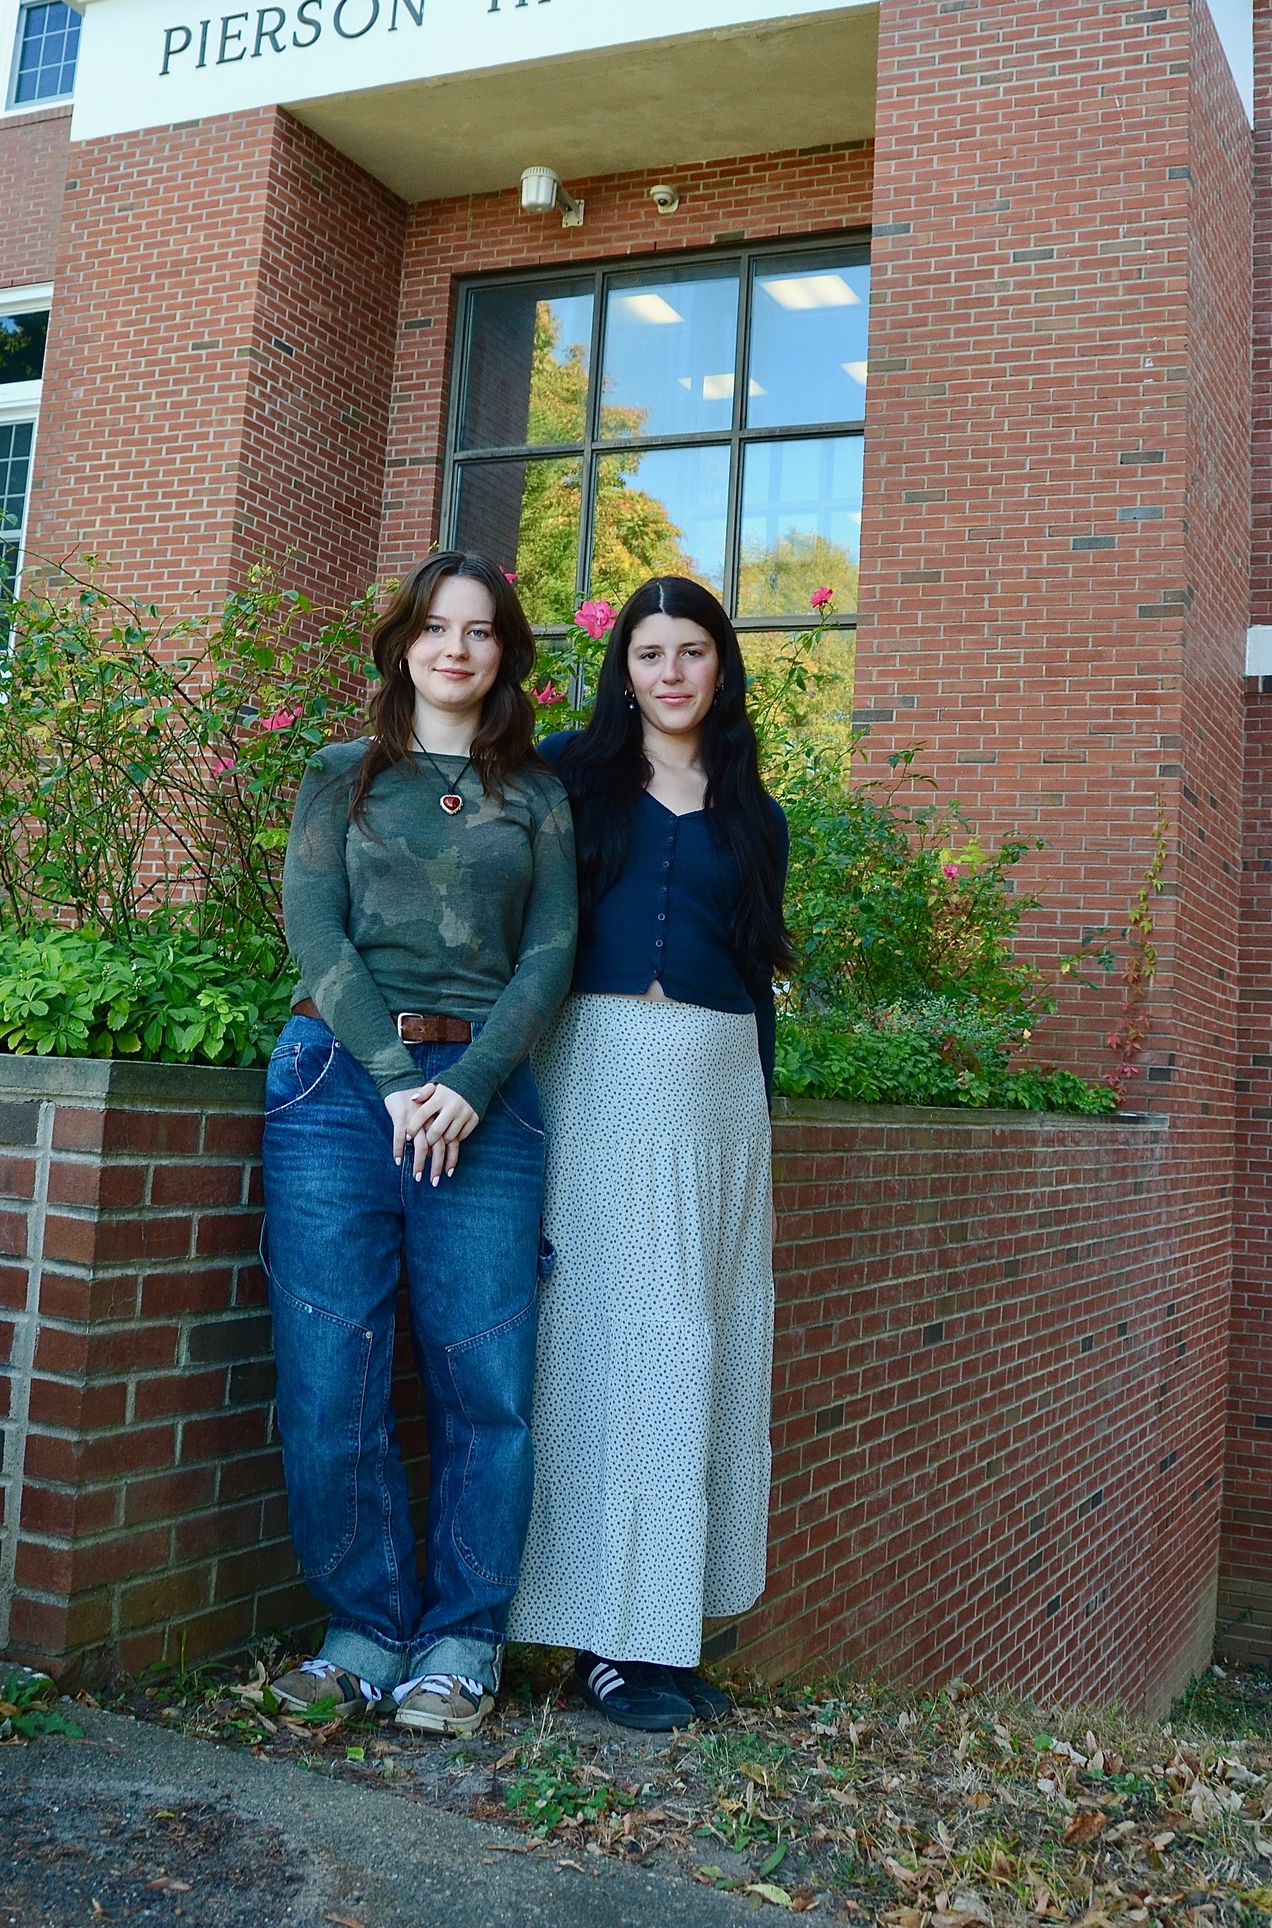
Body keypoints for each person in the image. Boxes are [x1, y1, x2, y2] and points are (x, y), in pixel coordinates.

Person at [262, 551, 577, 1738]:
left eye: (481, 630)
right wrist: (396, 1081)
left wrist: (473, 1085)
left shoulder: (537, 794)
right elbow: (312, 925)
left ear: (504, 654)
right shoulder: (341, 774)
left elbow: (550, 955)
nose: (457, 647)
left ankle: (459, 1639)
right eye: (438, 627)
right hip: (338, 1087)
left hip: (483, 1103)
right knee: (327, 1368)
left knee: (484, 1380)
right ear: (403, 643)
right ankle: (362, 1627)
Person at [509, 574, 792, 1731]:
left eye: (691, 652)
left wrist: (761, 1124)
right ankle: (604, 1641)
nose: (670, 672)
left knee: (704, 1352)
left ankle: (665, 1632)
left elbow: (762, 982)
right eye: (648, 653)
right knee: (609, 1349)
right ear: (622, 670)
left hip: (721, 1101)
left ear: (721, 669)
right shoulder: (573, 780)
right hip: (600, 1082)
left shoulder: (753, 814)